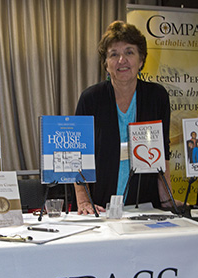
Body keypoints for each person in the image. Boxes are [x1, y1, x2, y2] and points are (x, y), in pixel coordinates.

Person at [74, 21, 176, 214]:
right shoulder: (91, 99)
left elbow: (163, 151)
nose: (122, 60)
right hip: (100, 206)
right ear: (106, 63)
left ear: (141, 60)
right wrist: (83, 201)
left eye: (129, 52)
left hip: (144, 204)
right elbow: (78, 154)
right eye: (114, 54)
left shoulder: (157, 97)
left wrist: (166, 198)